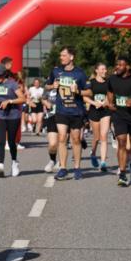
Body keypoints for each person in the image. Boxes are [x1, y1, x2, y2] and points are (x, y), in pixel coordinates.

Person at [45, 46, 90, 180]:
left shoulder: (80, 73)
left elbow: (89, 92)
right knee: (62, 138)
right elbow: (47, 85)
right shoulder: (56, 71)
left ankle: (77, 168)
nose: (61, 58)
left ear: (71, 57)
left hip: (76, 111)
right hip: (61, 110)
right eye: (61, 56)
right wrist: (52, 86)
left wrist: (78, 92)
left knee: (76, 139)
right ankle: (63, 168)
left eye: (64, 55)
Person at [107, 57, 131, 187]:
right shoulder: (112, 79)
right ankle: (122, 174)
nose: (117, 67)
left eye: (120, 65)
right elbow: (109, 91)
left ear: (127, 67)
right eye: (116, 64)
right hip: (119, 114)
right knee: (122, 142)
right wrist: (110, 103)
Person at [0, 62, 25, 176]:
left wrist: (9, 101)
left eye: (0, 76)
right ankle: (0, 165)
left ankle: (14, 162)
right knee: (0, 141)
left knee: (11, 141)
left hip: (13, 116)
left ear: (4, 74)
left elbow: (22, 98)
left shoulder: (12, 84)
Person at [84, 63, 111, 172]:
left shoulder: (109, 82)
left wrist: (106, 102)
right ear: (97, 71)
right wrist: (94, 102)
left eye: (105, 69)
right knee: (97, 137)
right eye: (102, 69)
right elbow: (85, 97)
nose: (105, 71)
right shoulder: (91, 83)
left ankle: (103, 162)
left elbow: (111, 96)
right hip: (94, 111)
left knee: (104, 136)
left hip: (105, 111)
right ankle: (93, 153)